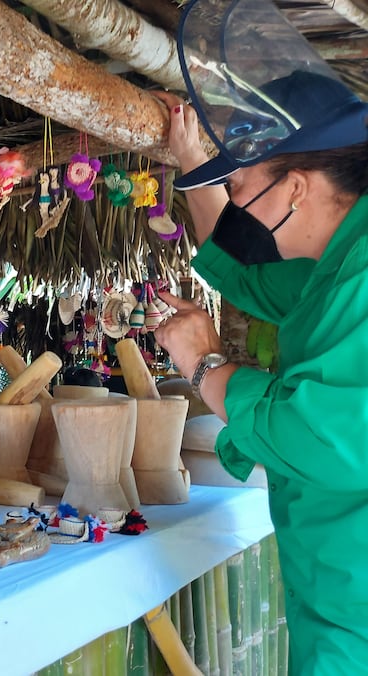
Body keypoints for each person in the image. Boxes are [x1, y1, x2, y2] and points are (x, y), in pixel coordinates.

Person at [151, 36, 368, 671]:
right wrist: (195, 162)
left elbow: (326, 437)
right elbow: (244, 273)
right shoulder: (339, 261)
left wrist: (207, 366)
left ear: (296, 188)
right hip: (336, 570)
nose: (236, 202)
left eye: (240, 184)